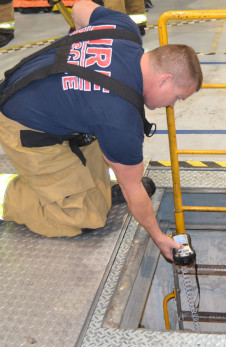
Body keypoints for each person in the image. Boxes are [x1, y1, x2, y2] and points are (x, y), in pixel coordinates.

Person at [0, 0, 203, 261]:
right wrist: (160, 238)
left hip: (43, 102)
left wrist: (81, 47)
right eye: (177, 97)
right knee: (84, 217)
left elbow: (80, 7)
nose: (172, 105)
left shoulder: (122, 28)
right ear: (165, 79)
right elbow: (133, 190)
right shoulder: (119, 117)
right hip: (24, 126)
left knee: (103, 180)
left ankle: (91, 187)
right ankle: (7, 193)